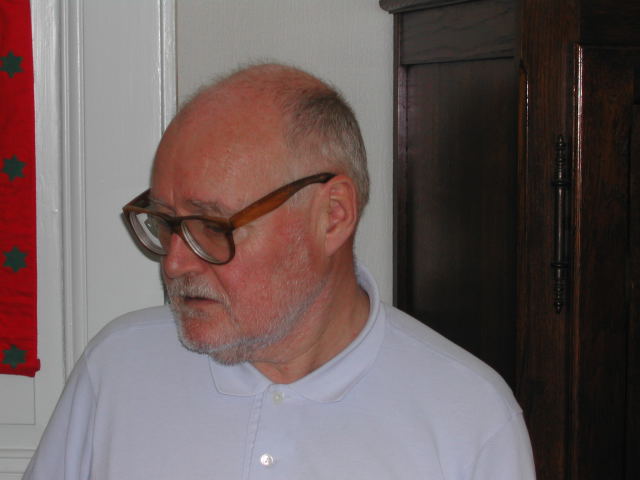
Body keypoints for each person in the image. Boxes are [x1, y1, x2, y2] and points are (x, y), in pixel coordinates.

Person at [23, 63, 536, 479]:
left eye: (212, 226)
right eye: (164, 222)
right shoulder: (117, 369)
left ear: (332, 216)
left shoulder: (469, 418)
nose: (174, 263)